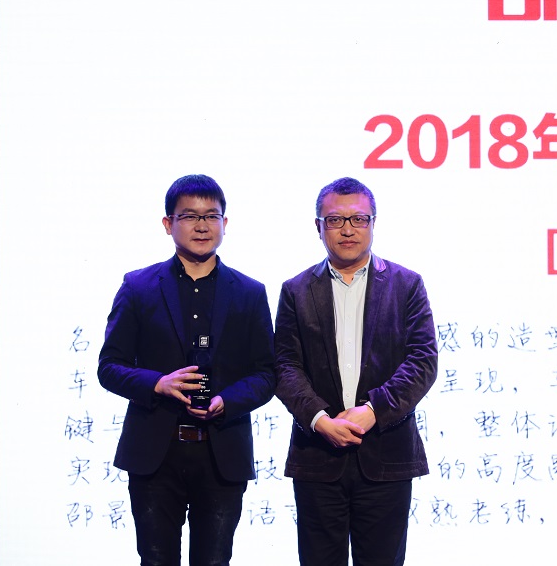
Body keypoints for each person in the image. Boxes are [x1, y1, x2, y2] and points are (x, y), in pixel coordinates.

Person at [97, 174, 275, 566]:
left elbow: (267, 373)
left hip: (222, 452)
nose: (202, 226)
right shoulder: (138, 286)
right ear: (168, 224)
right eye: (190, 216)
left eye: (211, 216)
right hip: (154, 453)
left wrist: (227, 401)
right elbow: (109, 366)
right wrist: (157, 384)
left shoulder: (249, 292)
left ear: (225, 223)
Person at [274, 176, 438, 566]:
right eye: (335, 220)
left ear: (373, 223)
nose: (347, 229)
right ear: (318, 227)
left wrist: (373, 411)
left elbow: (422, 360)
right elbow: (285, 365)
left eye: (358, 219)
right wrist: (320, 419)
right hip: (318, 455)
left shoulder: (406, 285)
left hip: (386, 453)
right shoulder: (296, 290)